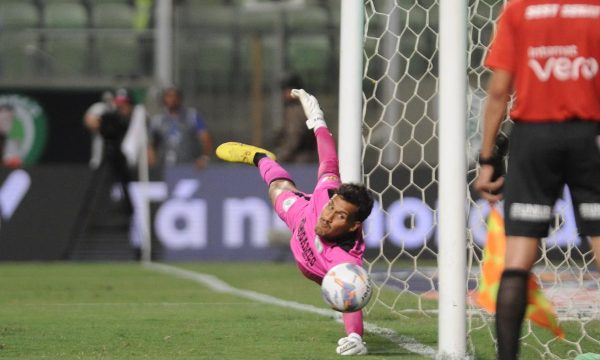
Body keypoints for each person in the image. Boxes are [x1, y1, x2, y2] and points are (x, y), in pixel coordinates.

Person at [473, 2, 600, 359]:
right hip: (589, 134)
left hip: (533, 139)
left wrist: (487, 159)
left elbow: (498, 91)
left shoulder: (519, 10)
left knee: (518, 257)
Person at [216, 89, 374, 356]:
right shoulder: (325, 195)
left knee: (343, 294)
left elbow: (352, 299)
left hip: (316, 266)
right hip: (302, 217)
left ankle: (264, 160)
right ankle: (260, 157)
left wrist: (356, 335)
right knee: (277, 188)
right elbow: (329, 160)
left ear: (353, 226)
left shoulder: (345, 262)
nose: (329, 214)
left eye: (340, 216)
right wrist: (317, 119)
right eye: (332, 206)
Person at [148, 86, 213, 169]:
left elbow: (205, 137)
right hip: (165, 166)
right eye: (168, 96)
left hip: (190, 165)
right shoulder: (158, 120)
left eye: (174, 96)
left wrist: (204, 158)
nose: (171, 99)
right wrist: (152, 158)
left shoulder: (192, 116)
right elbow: (150, 143)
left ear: (180, 98)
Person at [274, 73, 317, 163]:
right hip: (303, 160)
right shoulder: (302, 106)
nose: (283, 94)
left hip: (299, 161)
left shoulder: (297, 110)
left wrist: (278, 159)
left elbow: (294, 139)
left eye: (285, 90)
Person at [83, 90, 115, 169]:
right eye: (107, 99)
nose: (108, 101)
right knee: (98, 140)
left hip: (113, 133)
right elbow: (88, 120)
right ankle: (96, 162)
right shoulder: (98, 107)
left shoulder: (115, 107)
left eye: (110, 99)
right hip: (100, 132)